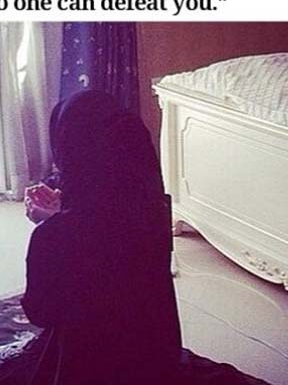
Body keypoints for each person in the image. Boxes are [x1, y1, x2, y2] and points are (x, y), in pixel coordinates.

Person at [22, 90, 182, 385]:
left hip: (88, 369)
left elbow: (41, 313)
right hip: (156, 362)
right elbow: (106, 221)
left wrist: (53, 223)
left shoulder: (51, 237)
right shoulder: (155, 215)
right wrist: (66, 211)